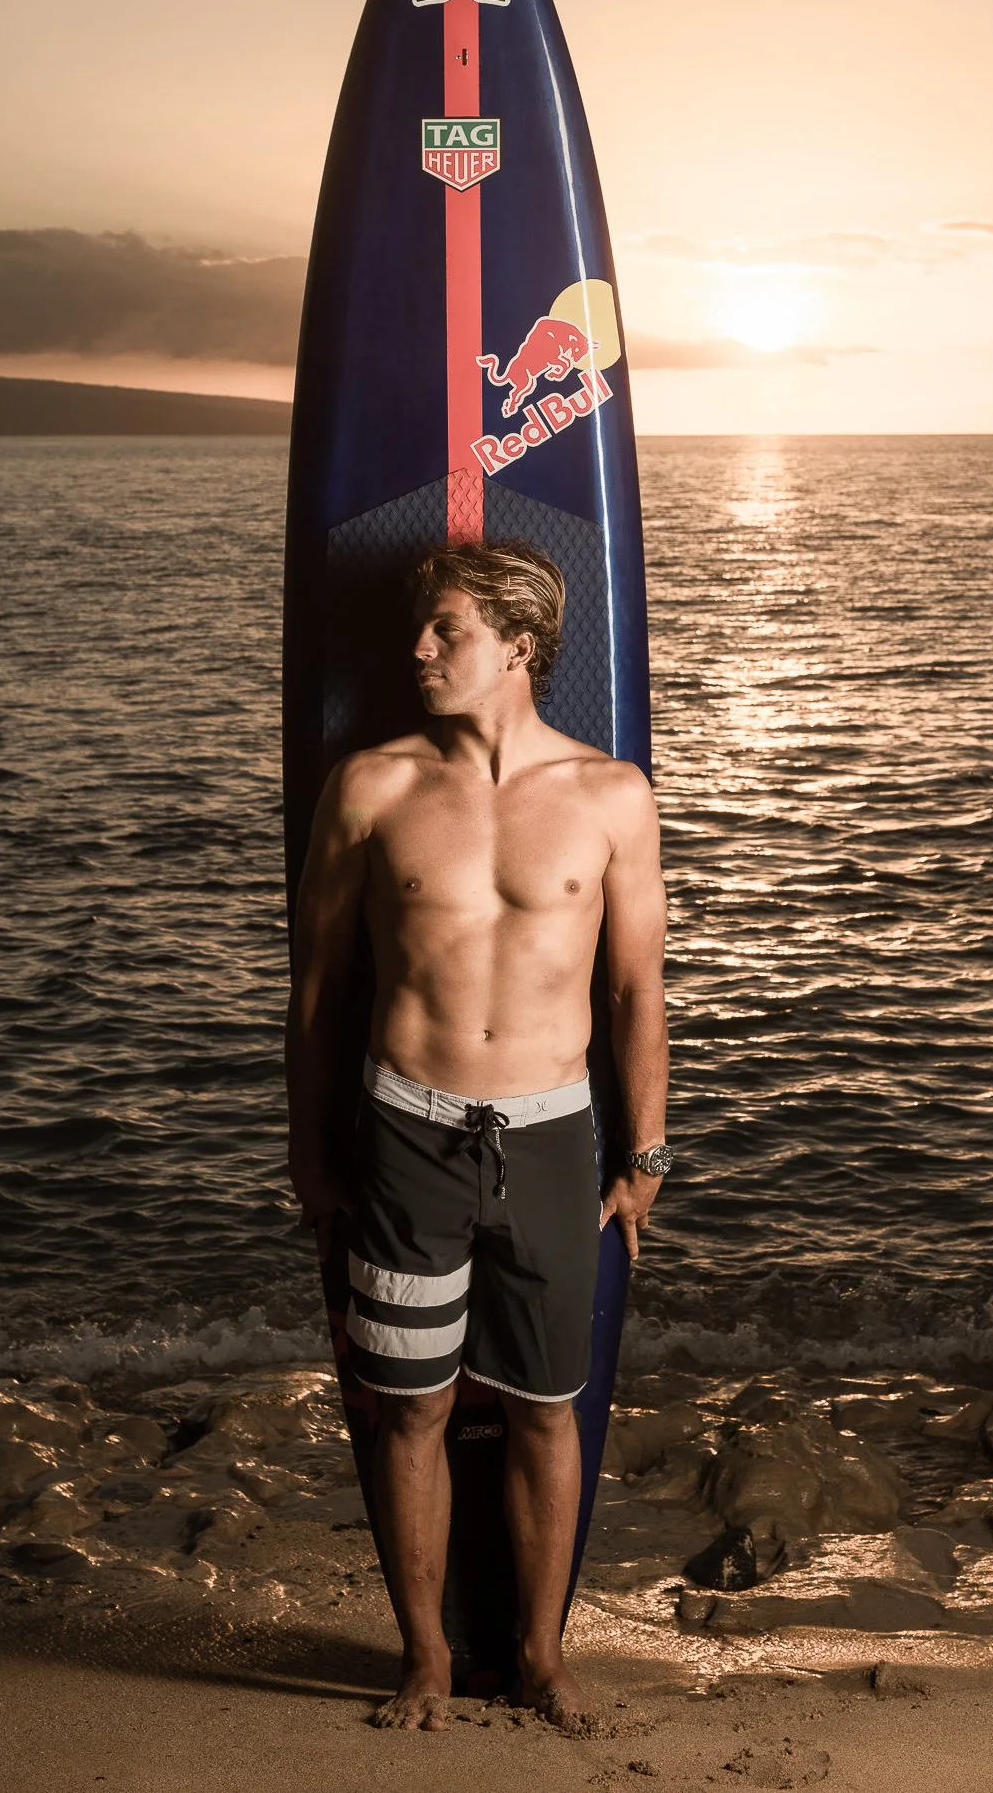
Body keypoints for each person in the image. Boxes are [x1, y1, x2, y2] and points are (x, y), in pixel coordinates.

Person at [285, 539, 670, 1732]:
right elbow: (316, 990)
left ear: (518, 646)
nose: (417, 650)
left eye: (444, 629)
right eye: (417, 628)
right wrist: (310, 1153)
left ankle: (542, 1656)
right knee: (411, 1408)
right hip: (406, 1134)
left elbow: (635, 991)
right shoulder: (370, 786)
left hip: (552, 1139)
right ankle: (425, 1658)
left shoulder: (611, 796)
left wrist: (645, 1156)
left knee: (547, 1408)